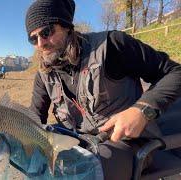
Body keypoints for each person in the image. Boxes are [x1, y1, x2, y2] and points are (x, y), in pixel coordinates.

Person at [25, 0, 181, 179]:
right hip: (76, 143)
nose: (40, 43)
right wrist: (9, 136)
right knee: (35, 166)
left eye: (46, 32)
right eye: (32, 38)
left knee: (81, 174)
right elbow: (34, 119)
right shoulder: (43, 75)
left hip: (126, 142)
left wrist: (143, 110)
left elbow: (175, 72)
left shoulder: (112, 45)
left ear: (66, 26)